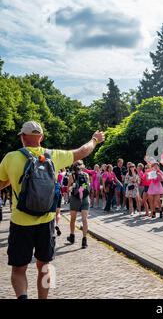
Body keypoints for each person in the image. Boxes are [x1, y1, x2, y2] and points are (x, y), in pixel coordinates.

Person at [0, 120, 104, 299]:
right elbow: (82, 151)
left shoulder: (11, 158)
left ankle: (23, 297)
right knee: (46, 266)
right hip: (46, 221)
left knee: (18, 269)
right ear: (41, 137)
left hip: (20, 222)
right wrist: (95, 139)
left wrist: (12, 177)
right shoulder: (54, 156)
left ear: (22, 137)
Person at [66, 160, 91, 248]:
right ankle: (84, 240)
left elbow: (68, 189)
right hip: (85, 198)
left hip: (75, 198)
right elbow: (88, 186)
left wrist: (74, 188)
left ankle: (72, 236)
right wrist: (81, 189)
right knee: (84, 219)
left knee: (73, 219)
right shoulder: (86, 175)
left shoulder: (71, 175)